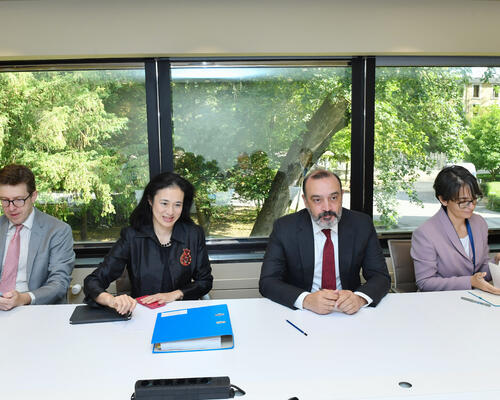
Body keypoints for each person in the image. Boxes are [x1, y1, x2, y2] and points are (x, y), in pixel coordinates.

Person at [259, 169, 391, 315]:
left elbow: (380, 276)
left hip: (348, 312)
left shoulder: (361, 224)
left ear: (341, 196)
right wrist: (306, 300)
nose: (327, 208)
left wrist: (359, 298)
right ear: (305, 201)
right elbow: (268, 281)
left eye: (333, 198)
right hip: (303, 313)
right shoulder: (285, 227)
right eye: (317, 200)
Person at [84, 172, 213, 315]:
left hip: (182, 312)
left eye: (177, 205)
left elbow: (205, 281)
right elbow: (93, 281)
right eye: (164, 203)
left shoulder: (193, 234)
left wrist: (175, 294)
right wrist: (112, 300)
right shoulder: (132, 236)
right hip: (143, 314)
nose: (170, 212)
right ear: (150, 201)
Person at [411, 165, 500, 292]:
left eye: (474, 199)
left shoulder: (479, 223)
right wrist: (470, 281)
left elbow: (481, 273)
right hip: (441, 300)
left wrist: (496, 262)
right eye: (463, 201)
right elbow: (425, 283)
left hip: (474, 297)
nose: (471, 206)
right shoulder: (425, 233)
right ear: (443, 200)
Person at [0, 164, 75, 311]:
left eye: (19, 200)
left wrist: (24, 298)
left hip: (35, 308)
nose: (11, 208)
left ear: (33, 196)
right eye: (5, 200)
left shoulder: (57, 230)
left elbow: (59, 283)